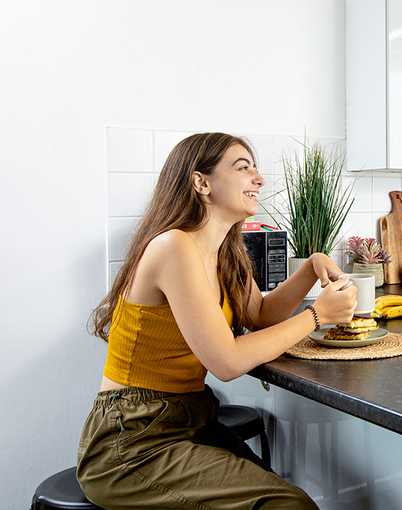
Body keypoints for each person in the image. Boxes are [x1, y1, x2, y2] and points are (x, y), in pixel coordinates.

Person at [77, 132, 358, 509]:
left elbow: (259, 315)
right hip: (131, 442)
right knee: (289, 505)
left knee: (288, 499)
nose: (258, 179)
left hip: (191, 420)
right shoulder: (173, 247)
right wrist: (317, 314)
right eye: (243, 168)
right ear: (201, 182)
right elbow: (226, 362)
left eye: (255, 169)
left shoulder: (225, 251)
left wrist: (309, 268)